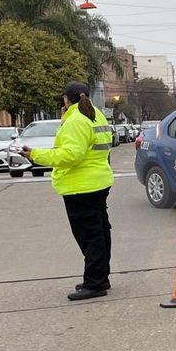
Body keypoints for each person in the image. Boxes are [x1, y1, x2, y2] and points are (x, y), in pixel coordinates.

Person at [22, 82, 115, 300]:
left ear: (67, 99)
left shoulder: (76, 120)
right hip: (98, 181)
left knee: (89, 236)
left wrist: (34, 154)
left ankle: (95, 283)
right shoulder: (96, 115)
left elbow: (70, 155)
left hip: (80, 186)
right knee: (100, 232)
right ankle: (100, 277)